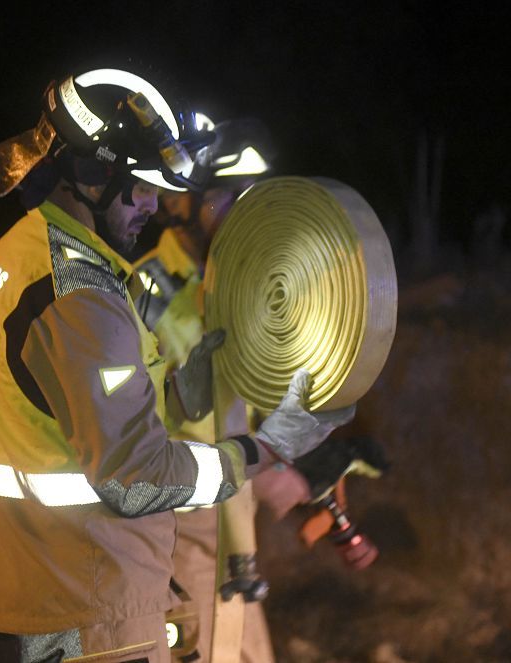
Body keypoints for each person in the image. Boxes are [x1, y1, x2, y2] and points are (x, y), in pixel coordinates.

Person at [0, 66, 355, 663]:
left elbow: (83, 409)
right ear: (90, 174)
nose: (155, 205)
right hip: (87, 604)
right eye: (139, 186)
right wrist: (263, 450)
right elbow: (134, 478)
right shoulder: (78, 294)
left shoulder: (25, 254)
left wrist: (186, 386)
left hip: (59, 592)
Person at [134, 117, 387, 662]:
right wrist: (272, 471)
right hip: (177, 547)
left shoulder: (253, 294)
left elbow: (260, 420)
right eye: (229, 199)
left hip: (234, 548)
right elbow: (147, 429)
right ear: (188, 203)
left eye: (255, 198)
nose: (245, 215)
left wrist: (318, 466)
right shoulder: (147, 293)